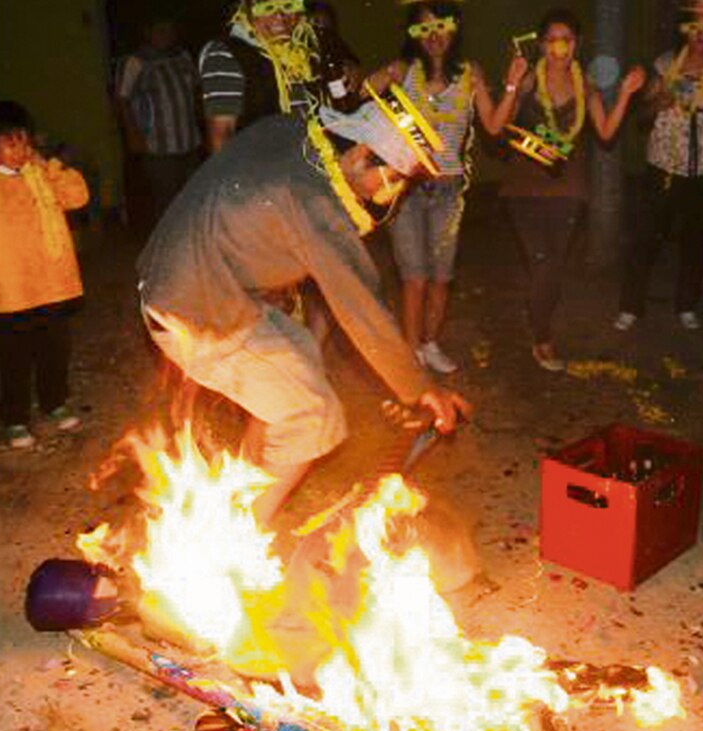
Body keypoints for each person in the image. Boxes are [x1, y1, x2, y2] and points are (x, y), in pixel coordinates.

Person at [137, 99, 470, 524]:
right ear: (359, 153)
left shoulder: (292, 131)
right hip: (197, 311)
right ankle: (234, 548)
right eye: (393, 179)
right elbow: (359, 302)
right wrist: (420, 386)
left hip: (185, 281)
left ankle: (245, 486)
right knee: (313, 415)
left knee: (299, 354)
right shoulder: (312, 201)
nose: (392, 194)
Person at [367, 0, 527, 374]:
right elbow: (360, 95)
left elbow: (492, 125)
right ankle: (411, 353)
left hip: (448, 190)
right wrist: (378, 77)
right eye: (424, 28)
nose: (434, 35)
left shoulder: (469, 73)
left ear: (453, 30)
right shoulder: (404, 70)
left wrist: (512, 85)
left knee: (441, 276)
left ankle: (430, 343)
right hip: (406, 188)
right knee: (414, 278)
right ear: (413, 34)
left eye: (441, 25)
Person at [499, 8, 645, 371]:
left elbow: (607, 132)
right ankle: (542, 335)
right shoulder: (530, 80)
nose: (559, 48)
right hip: (524, 187)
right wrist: (512, 85)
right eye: (551, 40)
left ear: (576, 44)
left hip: (568, 187)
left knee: (552, 264)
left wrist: (625, 93)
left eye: (566, 40)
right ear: (541, 44)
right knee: (542, 262)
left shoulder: (587, 87)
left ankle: (537, 315)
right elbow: (499, 122)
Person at [0, 101, 90, 449]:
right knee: (15, 359)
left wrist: (50, 166)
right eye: (9, 144)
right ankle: (15, 418)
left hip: (52, 284)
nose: (19, 152)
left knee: (56, 350)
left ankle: (55, 403)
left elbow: (78, 196)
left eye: (24, 143)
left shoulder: (42, 176)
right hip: (12, 292)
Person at [614, 0, 703, 334]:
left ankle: (687, 305)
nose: (701, 33)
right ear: (684, 28)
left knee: (695, 241)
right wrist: (660, 101)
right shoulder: (666, 64)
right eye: (694, 24)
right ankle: (631, 307)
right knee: (646, 238)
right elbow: (641, 117)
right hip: (664, 167)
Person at [115, 17, 202, 233]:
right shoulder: (136, 61)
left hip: (190, 141)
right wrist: (133, 135)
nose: (165, 34)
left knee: (195, 197)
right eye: (159, 29)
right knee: (167, 202)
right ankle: (169, 252)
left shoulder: (182, 56)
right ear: (148, 32)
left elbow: (197, 90)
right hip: (158, 146)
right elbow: (122, 100)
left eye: (169, 29)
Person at [198, 0, 318, 154]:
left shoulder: (298, 55)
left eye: (289, 5)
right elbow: (221, 136)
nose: (280, 15)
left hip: (302, 167)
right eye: (267, 7)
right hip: (262, 173)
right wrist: (236, 178)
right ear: (247, 10)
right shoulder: (227, 54)